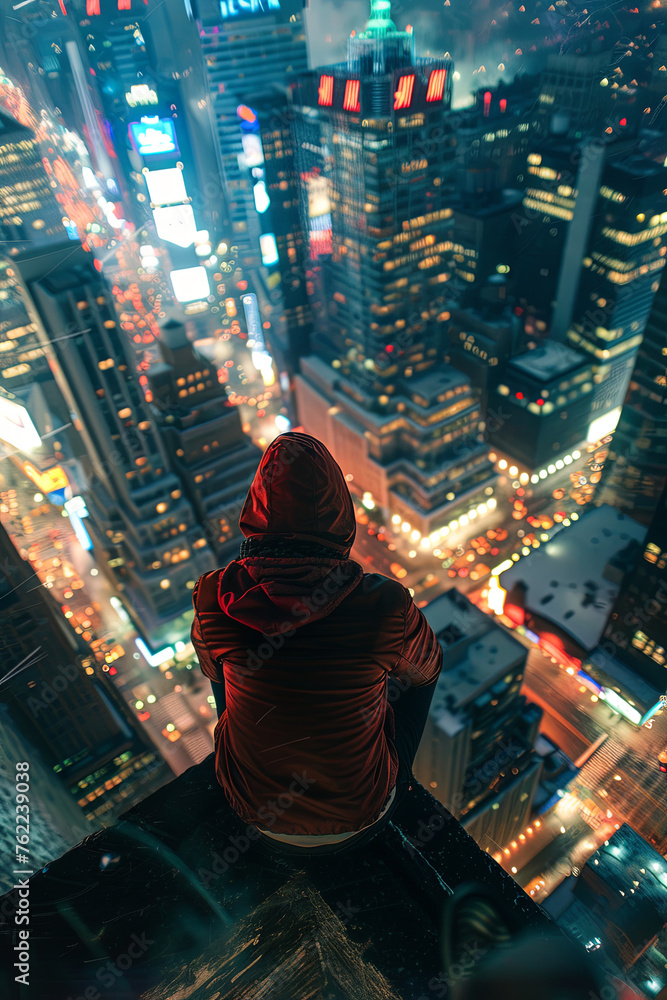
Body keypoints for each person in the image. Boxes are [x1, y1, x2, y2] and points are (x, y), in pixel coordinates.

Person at [191, 431, 442, 857]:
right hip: (362, 813)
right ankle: (400, 775)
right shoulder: (383, 603)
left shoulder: (215, 595)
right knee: (411, 676)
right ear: (340, 514)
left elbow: (212, 672)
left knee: (224, 666)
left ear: (255, 510)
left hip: (252, 812)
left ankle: (239, 749)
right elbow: (429, 668)